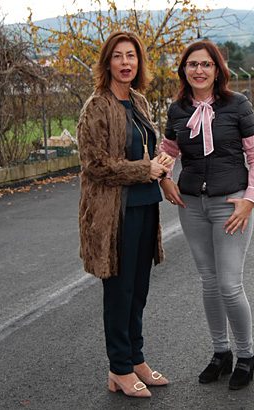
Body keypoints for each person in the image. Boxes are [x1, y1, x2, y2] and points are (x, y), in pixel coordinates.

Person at [159, 40, 254, 390]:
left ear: (217, 69)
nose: (199, 70)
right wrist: (164, 179)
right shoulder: (177, 110)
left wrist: (250, 199)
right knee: (208, 282)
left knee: (229, 284)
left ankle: (246, 357)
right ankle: (221, 354)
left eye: (206, 64)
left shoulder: (237, 106)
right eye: (192, 64)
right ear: (184, 70)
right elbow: (167, 151)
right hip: (192, 206)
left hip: (231, 204)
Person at [76, 31, 173, 398]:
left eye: (131, 56)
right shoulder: (96, 107)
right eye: (118, 56)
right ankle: (118, 368)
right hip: (114, 215)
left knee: (139, 291)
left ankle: (136, 359)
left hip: (146, 207)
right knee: (119, 291)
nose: (125, 63)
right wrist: (142, 170)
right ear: (107, 63)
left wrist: (159, 165)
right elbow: (95, 165)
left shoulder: (140, 102)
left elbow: (146, 150)